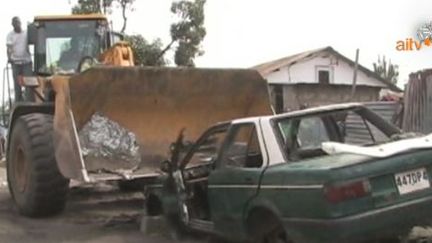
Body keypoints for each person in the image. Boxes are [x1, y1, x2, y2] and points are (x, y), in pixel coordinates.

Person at [6, 16, 33, 102]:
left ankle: (29, 102)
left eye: (18, 23)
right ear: (12, 25)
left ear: (20, 23)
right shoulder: (10, 35)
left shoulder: (26, 33)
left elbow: (32, 41)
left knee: (29, 83)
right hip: (16, 63)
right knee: (17, 86)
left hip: (27, 62)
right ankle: (18, 102)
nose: (16, 25)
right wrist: (9, 58)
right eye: (14, 24)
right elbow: (9, 49)